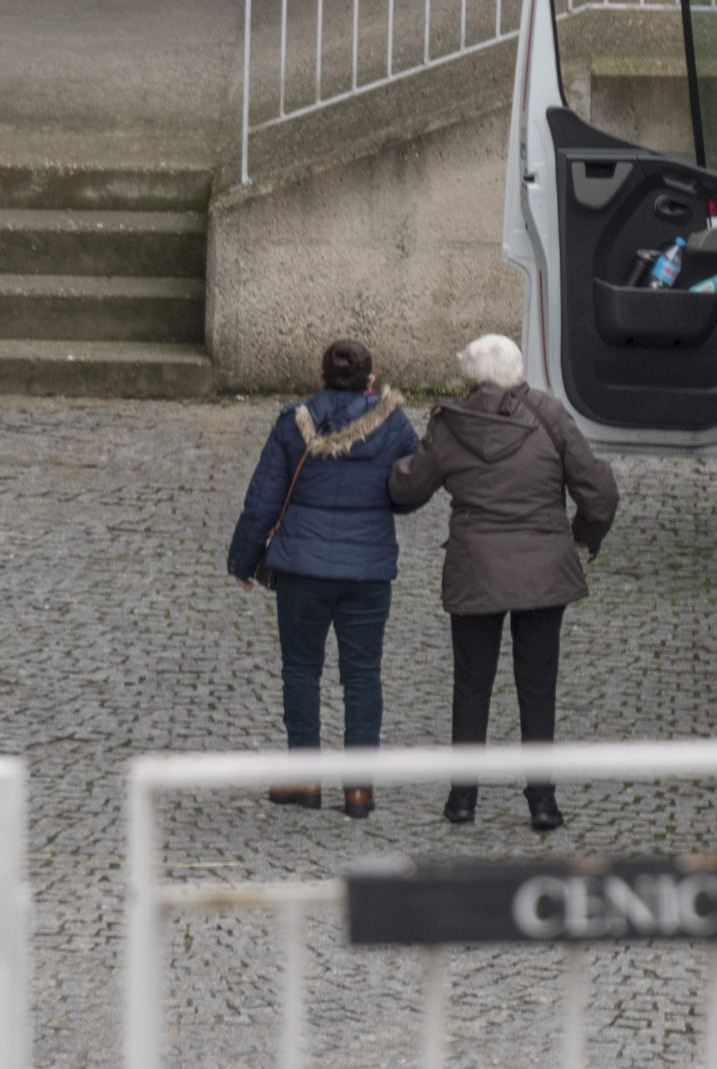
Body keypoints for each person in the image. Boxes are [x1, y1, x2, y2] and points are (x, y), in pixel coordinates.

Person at [388, 333, 618, 830]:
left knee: (472, 684)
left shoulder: (452, 424)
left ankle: (463, 799)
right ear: (517, 372)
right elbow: (598, 491)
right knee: (537, 687)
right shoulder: (550, 416)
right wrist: (578, 535)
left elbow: (409, 484)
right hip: (542, 570)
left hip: (476, 569)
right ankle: (542, 801)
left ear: (470, 378)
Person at [227, 339, 419, 817]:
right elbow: (414, 485)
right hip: (368, 571)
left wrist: (243, 562)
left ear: (320, 375)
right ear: (370, 382)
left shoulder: (295, 422)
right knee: (362, 675)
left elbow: (263, 499)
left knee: (301, 670)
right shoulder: (392, 422)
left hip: (301, 569)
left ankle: (306, 777)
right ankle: (359, 790)